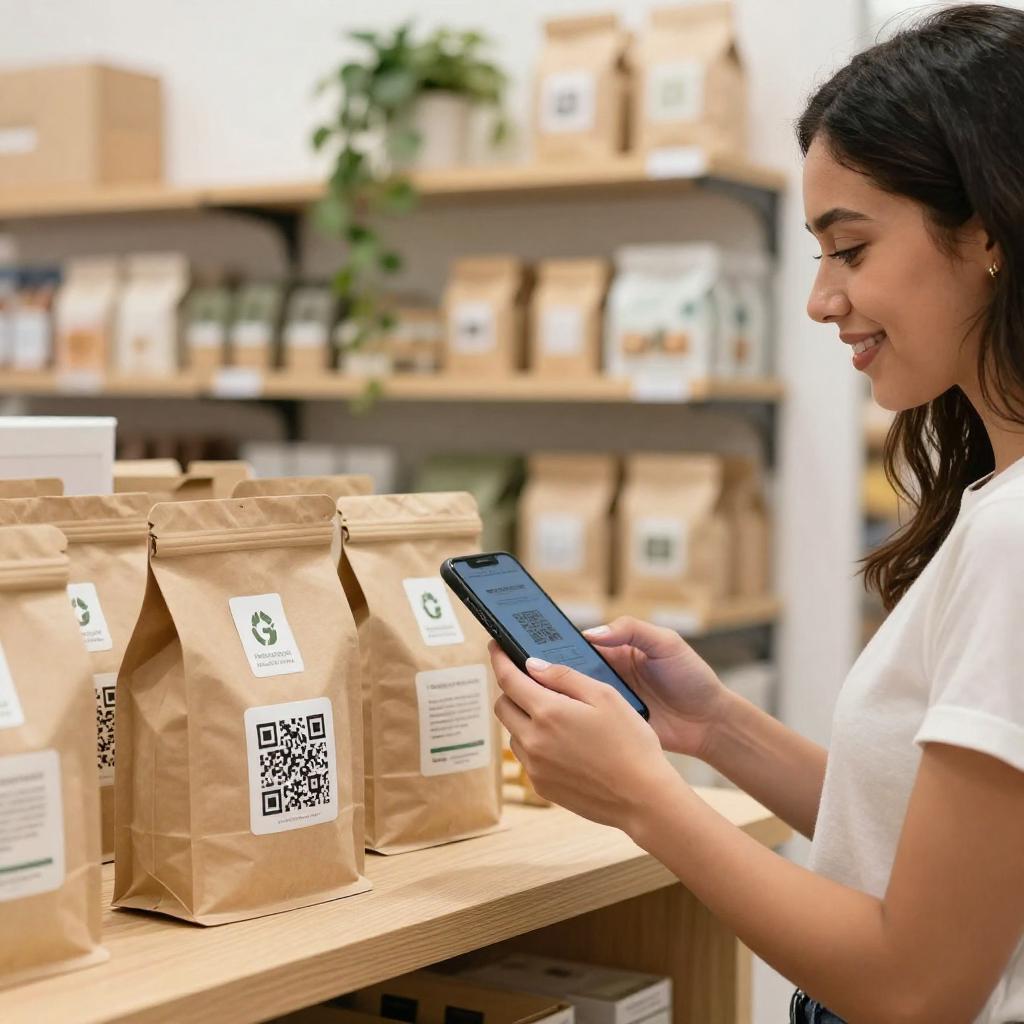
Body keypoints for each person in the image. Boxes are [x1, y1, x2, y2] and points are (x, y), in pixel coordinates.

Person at [489, 6, 1024, 1022]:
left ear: (989, 228)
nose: (821, 300)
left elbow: (915, 986)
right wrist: (714, 727)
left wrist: (645, 798)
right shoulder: (993, 507)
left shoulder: (1014, 539)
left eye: (851, 249)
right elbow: (930, 856)